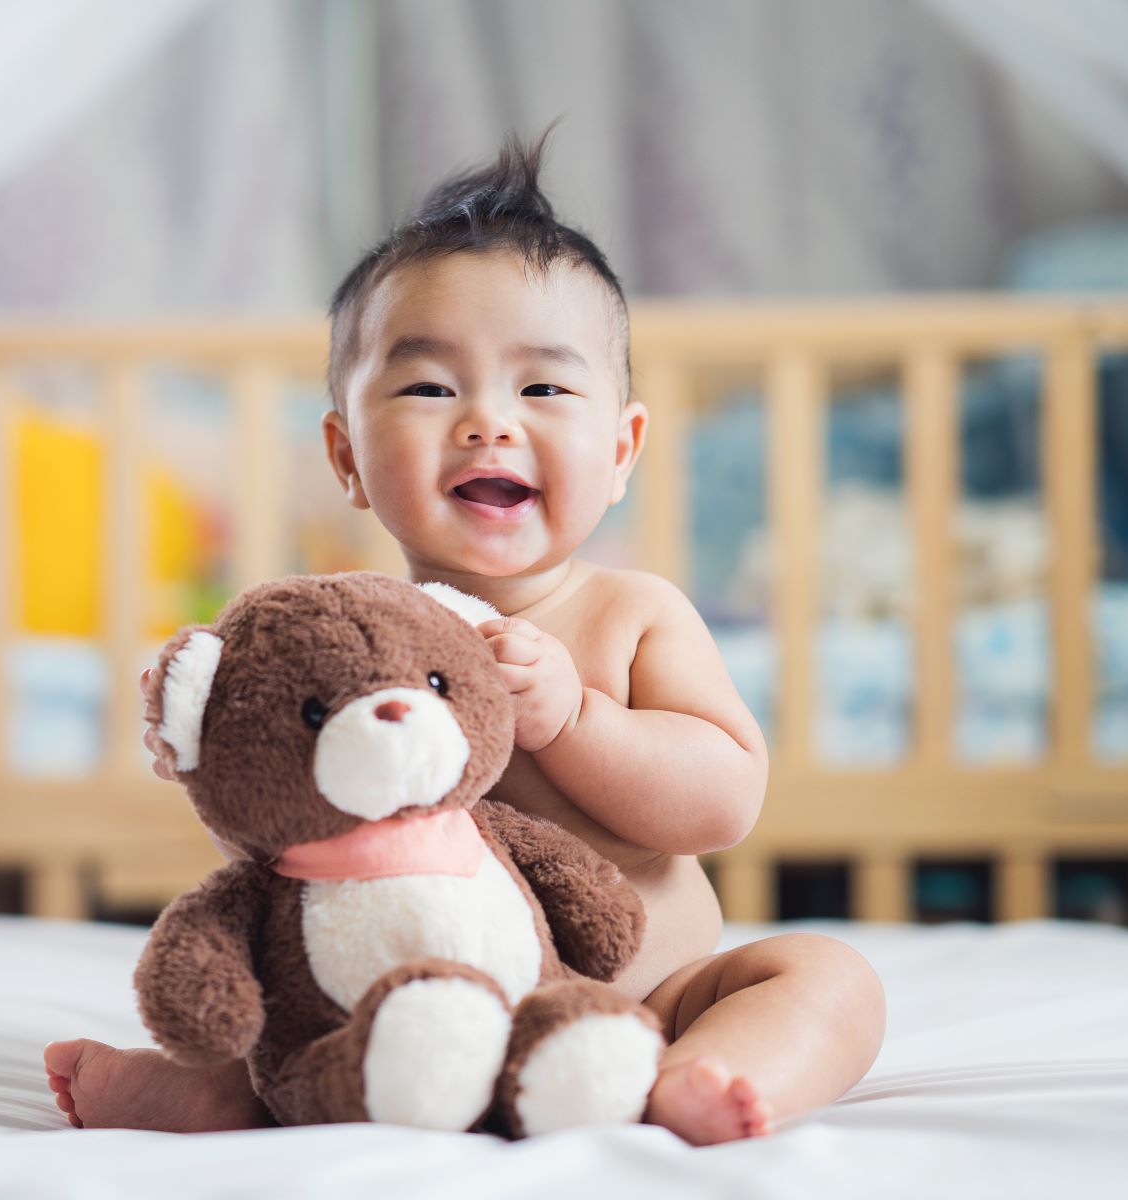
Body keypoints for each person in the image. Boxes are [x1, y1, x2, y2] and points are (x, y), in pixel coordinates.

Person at [44, 129, 884, 1146]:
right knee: (265, 1021)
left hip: (642, 1008)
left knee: (828, 979)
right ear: (346, 455)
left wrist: (575, 721)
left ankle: (697, 1080)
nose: (489, 422)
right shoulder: (339, 644)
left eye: (542, 388)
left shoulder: (632, 615)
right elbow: (289, 838)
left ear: (620, 451)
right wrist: (212, 750)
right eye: (431, 387)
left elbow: (722, 803)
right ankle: (210, 1093)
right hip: (399, 1017)